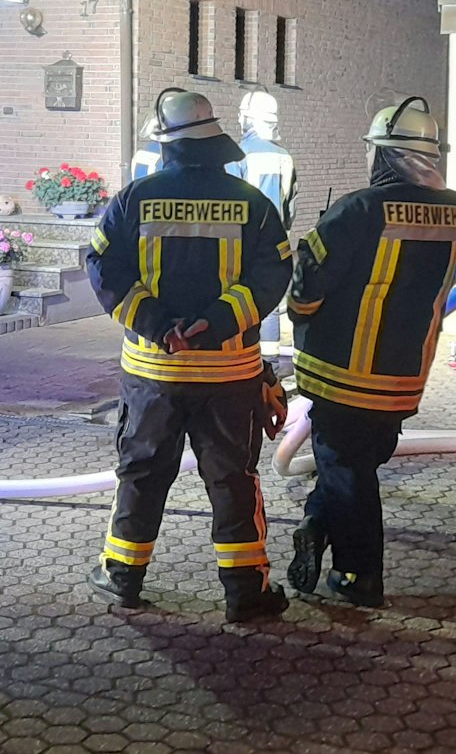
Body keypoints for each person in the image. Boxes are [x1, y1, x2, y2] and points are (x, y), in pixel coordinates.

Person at [284, 97, 456, 606]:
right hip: (404, 371)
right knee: (360, 461)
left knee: (346, 470)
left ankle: (359, 578)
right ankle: (317, 523)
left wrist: (301, 314)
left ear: (382, 155)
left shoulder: (357, 209)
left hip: (340, 369)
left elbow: (307, 284)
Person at [85, 89, 294, 622]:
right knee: (233, 478)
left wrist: (159, 327)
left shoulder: (135, 198)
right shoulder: (253, 204)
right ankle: (246, 592)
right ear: (213, 139)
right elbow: (272, 276)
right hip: (230, 374)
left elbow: (104, 268)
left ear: (167, 144)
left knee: (142, 472)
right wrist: (218, 323)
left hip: (154, 373)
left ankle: (122, 577)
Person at [226, 89, 297, 368]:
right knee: (269, 299)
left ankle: (243, 358)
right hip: (276, 241)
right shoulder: (285, 157)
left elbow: (229, 202)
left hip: (242, 241)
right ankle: (271, 362)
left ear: (247, 120)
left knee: (240, 299)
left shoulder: (237, 155)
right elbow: (291, 204)